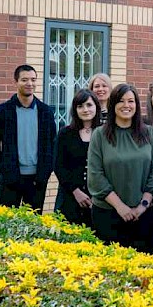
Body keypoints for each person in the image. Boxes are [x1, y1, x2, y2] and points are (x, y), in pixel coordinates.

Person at [87, 84, 153, 252]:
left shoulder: (148, 133)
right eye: (121, 101)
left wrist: (143, 205)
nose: (126, 105)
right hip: (108, 214)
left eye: (131, 101)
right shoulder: (100, 134)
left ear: (136, 105)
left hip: (143, 214)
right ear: (113, 104)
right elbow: (95, 175)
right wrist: (120, 206)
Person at [0, 64, 56, 213]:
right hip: (10, 179)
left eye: (33, 79)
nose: (29, 84)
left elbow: (53, 145)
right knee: (6, 224)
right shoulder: (3, 111)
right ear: (16, 82)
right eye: (24, 80)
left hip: (37, 181)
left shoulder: (46, 112)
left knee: (33, 226)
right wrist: (4, 167)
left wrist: (45, 172)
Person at [53, 88, 100, 227]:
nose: (85, 109)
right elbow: (59, 166)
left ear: (96, 107)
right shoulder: (65, 134)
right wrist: (76, 191)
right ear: (75, 109)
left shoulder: (104, 133)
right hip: (69, 197)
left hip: (97, 200)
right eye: (80, 106)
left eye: (89, 105)